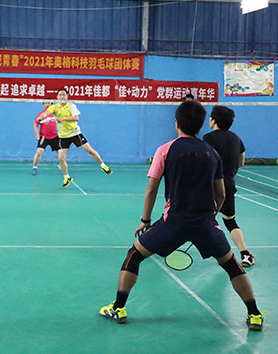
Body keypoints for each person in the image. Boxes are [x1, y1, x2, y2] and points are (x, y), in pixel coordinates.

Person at [99, 100, 263, 331]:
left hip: (173, 223)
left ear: (177, 123)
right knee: (231, 265)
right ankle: (254, 314)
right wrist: (211, 216)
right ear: (200, 125)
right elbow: (221, 194)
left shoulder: (165, 150)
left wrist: (146, 220)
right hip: (205, 223)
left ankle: (118, 308)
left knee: (134, 256)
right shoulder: (212, 153)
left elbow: (152, 189)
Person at [203, 105, 255, 267]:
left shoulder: (208, 138)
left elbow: (205, 162)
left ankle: (162, 246)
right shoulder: (236, 139)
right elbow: (241, 162)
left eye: (210, 117)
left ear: (214, 120)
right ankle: (246, 254)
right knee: (230, 221)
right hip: (229, 184)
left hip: (210, 185)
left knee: (190, 216)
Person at [36, 88, 112, 188]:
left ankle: (103, 165)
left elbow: (76, 118)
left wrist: (63, 119)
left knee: (90, 150)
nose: (62, 97)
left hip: (75, 133)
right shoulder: (54, 107)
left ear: (67, 96)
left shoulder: (71, 106)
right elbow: (46, 113)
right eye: (60, 95)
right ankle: (67, 177)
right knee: (61, 158)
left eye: (63, 95)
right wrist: (41, 117)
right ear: (57, 97)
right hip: (63, 136)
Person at [32, 99, 60, 175]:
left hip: (55, 137)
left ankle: (63, 166)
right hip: (43, 137)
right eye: (45, 103)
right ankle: (35, 167)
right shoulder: (41, 115)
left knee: (61, 153)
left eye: (49, 103)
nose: (47, 105)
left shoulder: (56, 113)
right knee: (39, 152)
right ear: (43, 104)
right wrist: (37, 134)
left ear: (52, 104)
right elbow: (35, 125)